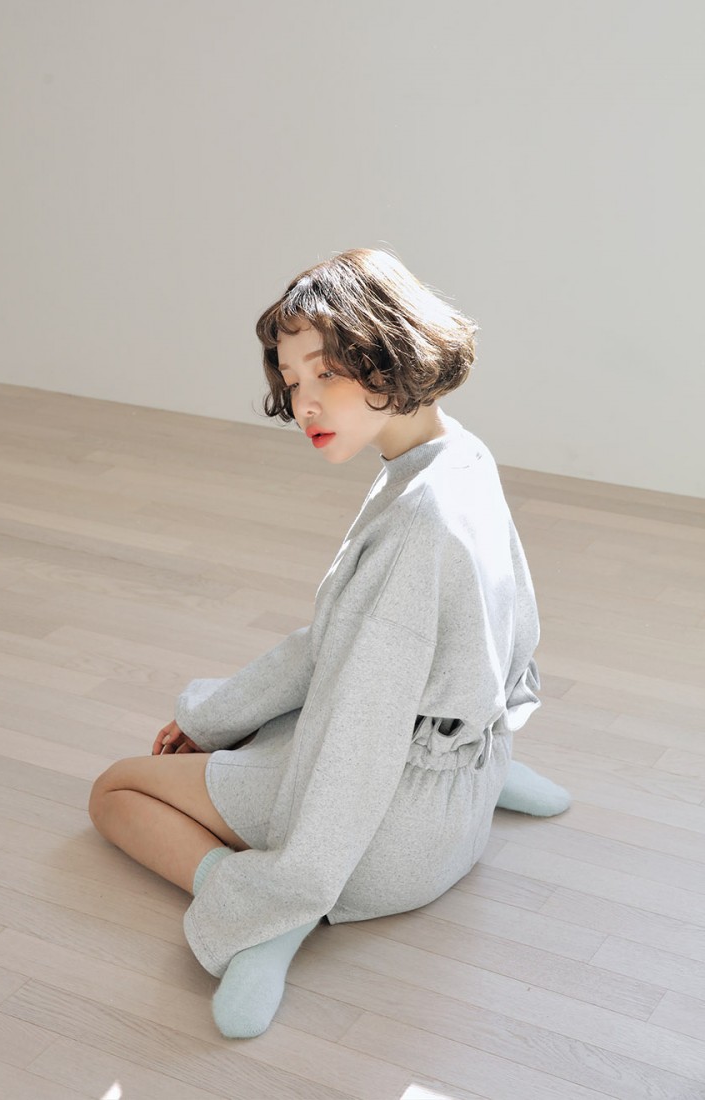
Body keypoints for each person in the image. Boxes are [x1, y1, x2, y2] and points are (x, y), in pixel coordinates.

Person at [88, 248, 569, 1040]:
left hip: (387, 847)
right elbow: (374, 639)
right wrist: (216, 718)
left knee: (116, 790)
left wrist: (293, 884)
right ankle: (479, 781)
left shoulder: (414, 531)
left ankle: (264, 913)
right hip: (466, 786)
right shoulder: (456, 455)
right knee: (279, 718)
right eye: (291, 381)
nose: (302, 404)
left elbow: (356, 735)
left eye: (325, 374)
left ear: (387, 353)